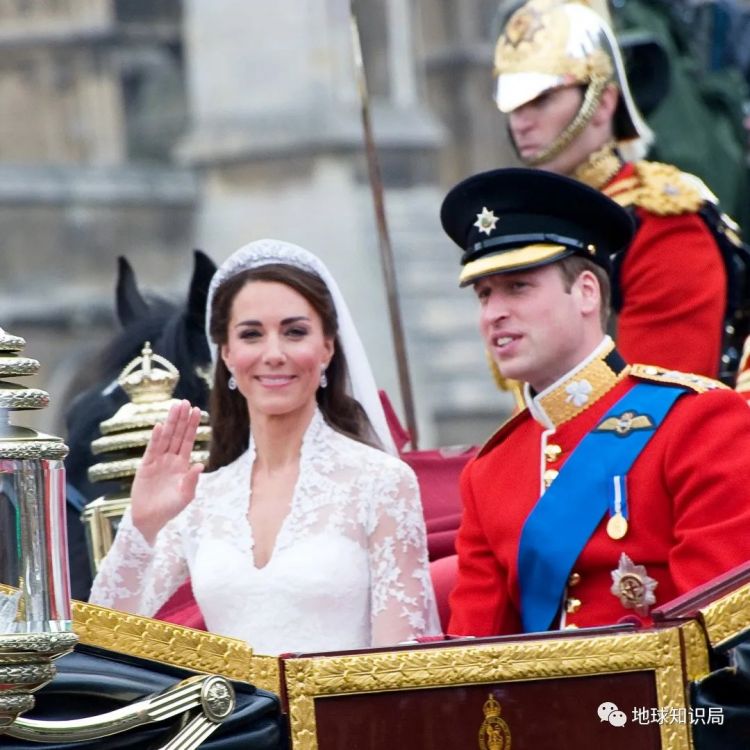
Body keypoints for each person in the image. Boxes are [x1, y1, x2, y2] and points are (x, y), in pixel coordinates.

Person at [90, 238, 440, 654]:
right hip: (228, 719)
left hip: (344, 718)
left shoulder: (382, 482)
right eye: (252, 334)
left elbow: (401, 667)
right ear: (228, 355)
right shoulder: (201, 498)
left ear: (327, 348)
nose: (274, 354)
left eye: (294, 332)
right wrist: (142, 523)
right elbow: (107, 637)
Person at [440, 167, 750, 636]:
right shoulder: (488, 473)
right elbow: (473, 658)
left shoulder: (700, 422)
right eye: (484, 294)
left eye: (518, 287)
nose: (494, 313)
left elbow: (721, 639)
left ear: (586, 292)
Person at [491, 0, 748, 381]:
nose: (521, 122)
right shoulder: (530, 222)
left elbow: (654, 410)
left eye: (541, 100)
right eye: (513, 105)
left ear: (603, 102)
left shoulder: (662, 223)